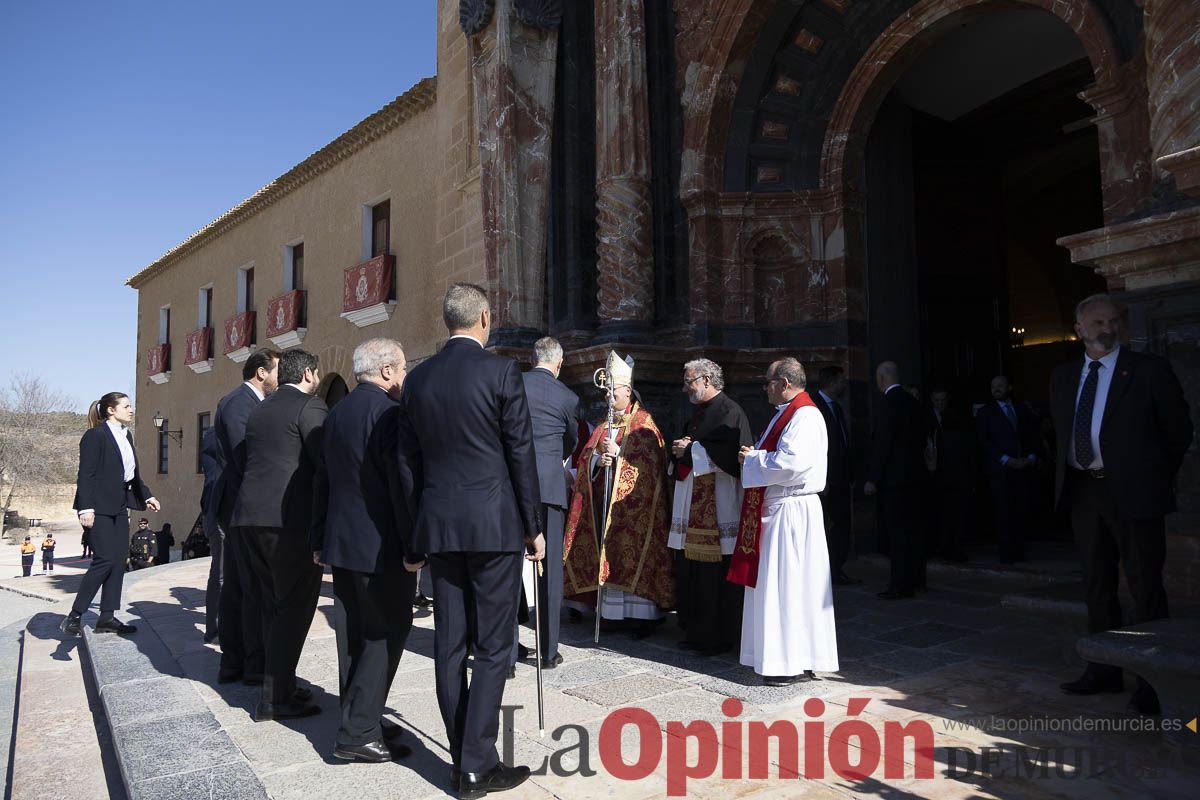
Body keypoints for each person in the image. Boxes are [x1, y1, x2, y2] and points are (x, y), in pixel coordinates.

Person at [394, 283, 543, 799]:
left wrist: (416, 533)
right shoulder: (501, 371)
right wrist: (533, 525)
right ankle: (477, 764)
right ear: (484, 317)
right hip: (494, 524)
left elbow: (407, 466)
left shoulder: (417, 380)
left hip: (439, 525)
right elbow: (519, 451)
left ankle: (463, 755)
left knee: (449, 644)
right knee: (495, 644)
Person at [1051, 294, 1192, 715]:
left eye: (1113, 321)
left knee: (1145, 584)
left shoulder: (1149, 370)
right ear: (1079, 328)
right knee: (1097, 584)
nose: (1106, 329)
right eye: (1096, 322)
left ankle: (1152, 681)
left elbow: (1178, 431)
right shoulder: (1062, 375)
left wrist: (1148, 475)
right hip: (1084, 491)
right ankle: (1104, 670)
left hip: (1134, 493)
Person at [311, 338, 415, 763]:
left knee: (357, 636)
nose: (405, 376)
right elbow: (401, 485)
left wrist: (319, 538)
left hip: (344, 543)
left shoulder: (336, 415)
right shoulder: (390, 414)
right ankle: (356, 735)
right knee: (384, 634)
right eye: (404, 369)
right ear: (387, 370)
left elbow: (322, 482)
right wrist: (415, 544)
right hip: (381, 545)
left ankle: (364, 716)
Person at [731, 357, 839, 685]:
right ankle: (793, 656)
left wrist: (754, 459)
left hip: (791, 513)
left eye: (768, 382)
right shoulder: (789, 415)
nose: (765, 388)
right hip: (784, 510)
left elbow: (792, 464)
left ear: (785, 384)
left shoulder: (805, 416)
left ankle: (787, 662)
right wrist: (757, 455)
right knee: (789, 587)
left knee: (788, 588)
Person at [232, 349, 327, 722]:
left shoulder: (261, 408)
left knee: (274, 605)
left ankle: (280, 684)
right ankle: (275, 699)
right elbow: (326, 462)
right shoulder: (310, 407)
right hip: (288, 523)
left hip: (250, 518)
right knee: (295, 607)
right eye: (316, 372)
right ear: (308, 372)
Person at [563, 351, 674, 638]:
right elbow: (586, 459)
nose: (608, 398)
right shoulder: (603, 425)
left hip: (635, 509)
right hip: (604, 506)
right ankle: (612, 614)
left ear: (627, 391)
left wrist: (621, 455)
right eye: (606, 393)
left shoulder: (644, 424)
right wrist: (600, 460)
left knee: (633, 551)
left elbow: (651, 465)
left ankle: (642, 617)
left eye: (613, 392)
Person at [668, 358, 752, 656]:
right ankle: (695, 630)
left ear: (706, 380)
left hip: (719, 507)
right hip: (695, 504)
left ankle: (717, 636)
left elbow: (730, 453)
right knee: (692, 569)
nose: (685, 387)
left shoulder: (730, 411)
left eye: (689, 381)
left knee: (715, 575)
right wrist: (682, 448)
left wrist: (688, 449)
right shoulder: (699, 411)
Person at [60, 392, 160, 636]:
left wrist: (146, 495)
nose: (131, 410)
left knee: (118, 560)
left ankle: (107, 617)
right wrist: (85, 508)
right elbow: (86, 474)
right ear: (110, 411)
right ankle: (74, 615)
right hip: (97, 508)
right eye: (126, 406)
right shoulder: (95, 436)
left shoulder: (126, 434)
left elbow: (132, 473)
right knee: (104, 558)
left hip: (119, 505)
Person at [212, 349, 279, 686]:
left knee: (240, 586)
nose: (279, 380)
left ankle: (235, 662)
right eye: (277, 372)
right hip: (240, 504)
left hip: (241, 503)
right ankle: (247, 664)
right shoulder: (240, 403)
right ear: (261, 372)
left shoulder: (248, 401)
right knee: (246, 587)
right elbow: (245, 456)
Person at [517, 336, 582, 670]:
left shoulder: (515, 385)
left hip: (513, 485)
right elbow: (572, 439)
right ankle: (548, 650)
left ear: (532, 359)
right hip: (549, 489)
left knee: (509, 566)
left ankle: (508, 644)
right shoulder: (567, 397)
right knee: (550, 570)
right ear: (560, 363)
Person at [863, 362, 926, 599]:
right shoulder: (913, 402)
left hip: (894, 482)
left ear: (881, 379)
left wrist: (873, 478)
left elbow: (883, 444)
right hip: (915, 478)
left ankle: (900, 585)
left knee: (897, 533)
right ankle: (917, 579)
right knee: (914, 530)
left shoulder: (888, 404)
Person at [976, 376, 1044, 562]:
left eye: (999, 386)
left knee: (1020, 509)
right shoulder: (986, 412)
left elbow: (1031, 436)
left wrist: (1030, 457)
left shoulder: (1021, 410)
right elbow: (984, 441)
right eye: (993, 386)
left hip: (1022, 468)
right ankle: (1007, 553)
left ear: (1009, 387)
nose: (996, 389)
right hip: (1000, 470)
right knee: (1003, 511)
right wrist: (1005, 460)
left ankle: (1020, 550)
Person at [809, 365, 858, 584]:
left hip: (841, 480)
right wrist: (823, 478)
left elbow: (843, 444)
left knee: (841, 525)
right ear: (831, 382)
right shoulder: (814, 407)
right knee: (829, 526)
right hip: (826, 481)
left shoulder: (835, 408)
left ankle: (837, 568)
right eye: (840, 381)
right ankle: (827, 572)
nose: (843, 385)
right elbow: (816, 447)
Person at [926, 388, 971, 562]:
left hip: (949, 477)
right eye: (937, 400)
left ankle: (949, 548)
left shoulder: (953, 434)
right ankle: (949, 548)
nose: (940, 403)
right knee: (948, 515)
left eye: (943, 400)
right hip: (943, 477)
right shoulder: (930, 420)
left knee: (951, 515)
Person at [199, 425, 223, 643]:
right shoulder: (217, 435)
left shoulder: (211, 435)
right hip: (220, 510)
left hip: (215, 509)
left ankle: (215, 626)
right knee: (222, 573)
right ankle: (217, 628)